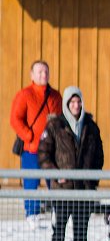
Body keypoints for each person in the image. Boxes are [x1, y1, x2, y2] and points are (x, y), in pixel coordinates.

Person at [38, 86, 104, 241]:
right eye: (72, 102)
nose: (76, 106)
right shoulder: (54, 126)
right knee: (59, 234)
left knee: (80, 238)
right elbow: (44, 155)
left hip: (83, 193)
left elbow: (99, 157)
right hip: (62, 193)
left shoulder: (91, 126)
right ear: (66, 104)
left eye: (78, 102)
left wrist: (91, 184)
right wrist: (58, 176)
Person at [10, 60, 63, 225]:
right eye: (39, 72)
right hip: (31, 148)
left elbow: (61, 119)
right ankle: (31, 214)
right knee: (31, 181)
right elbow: (15, 119)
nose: (43, 75)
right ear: (32, 75)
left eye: (46, 71)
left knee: (53, 180)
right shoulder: (24, 94)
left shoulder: (55, 95)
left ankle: (57, 211)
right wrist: (29, 135)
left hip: (51, 149)